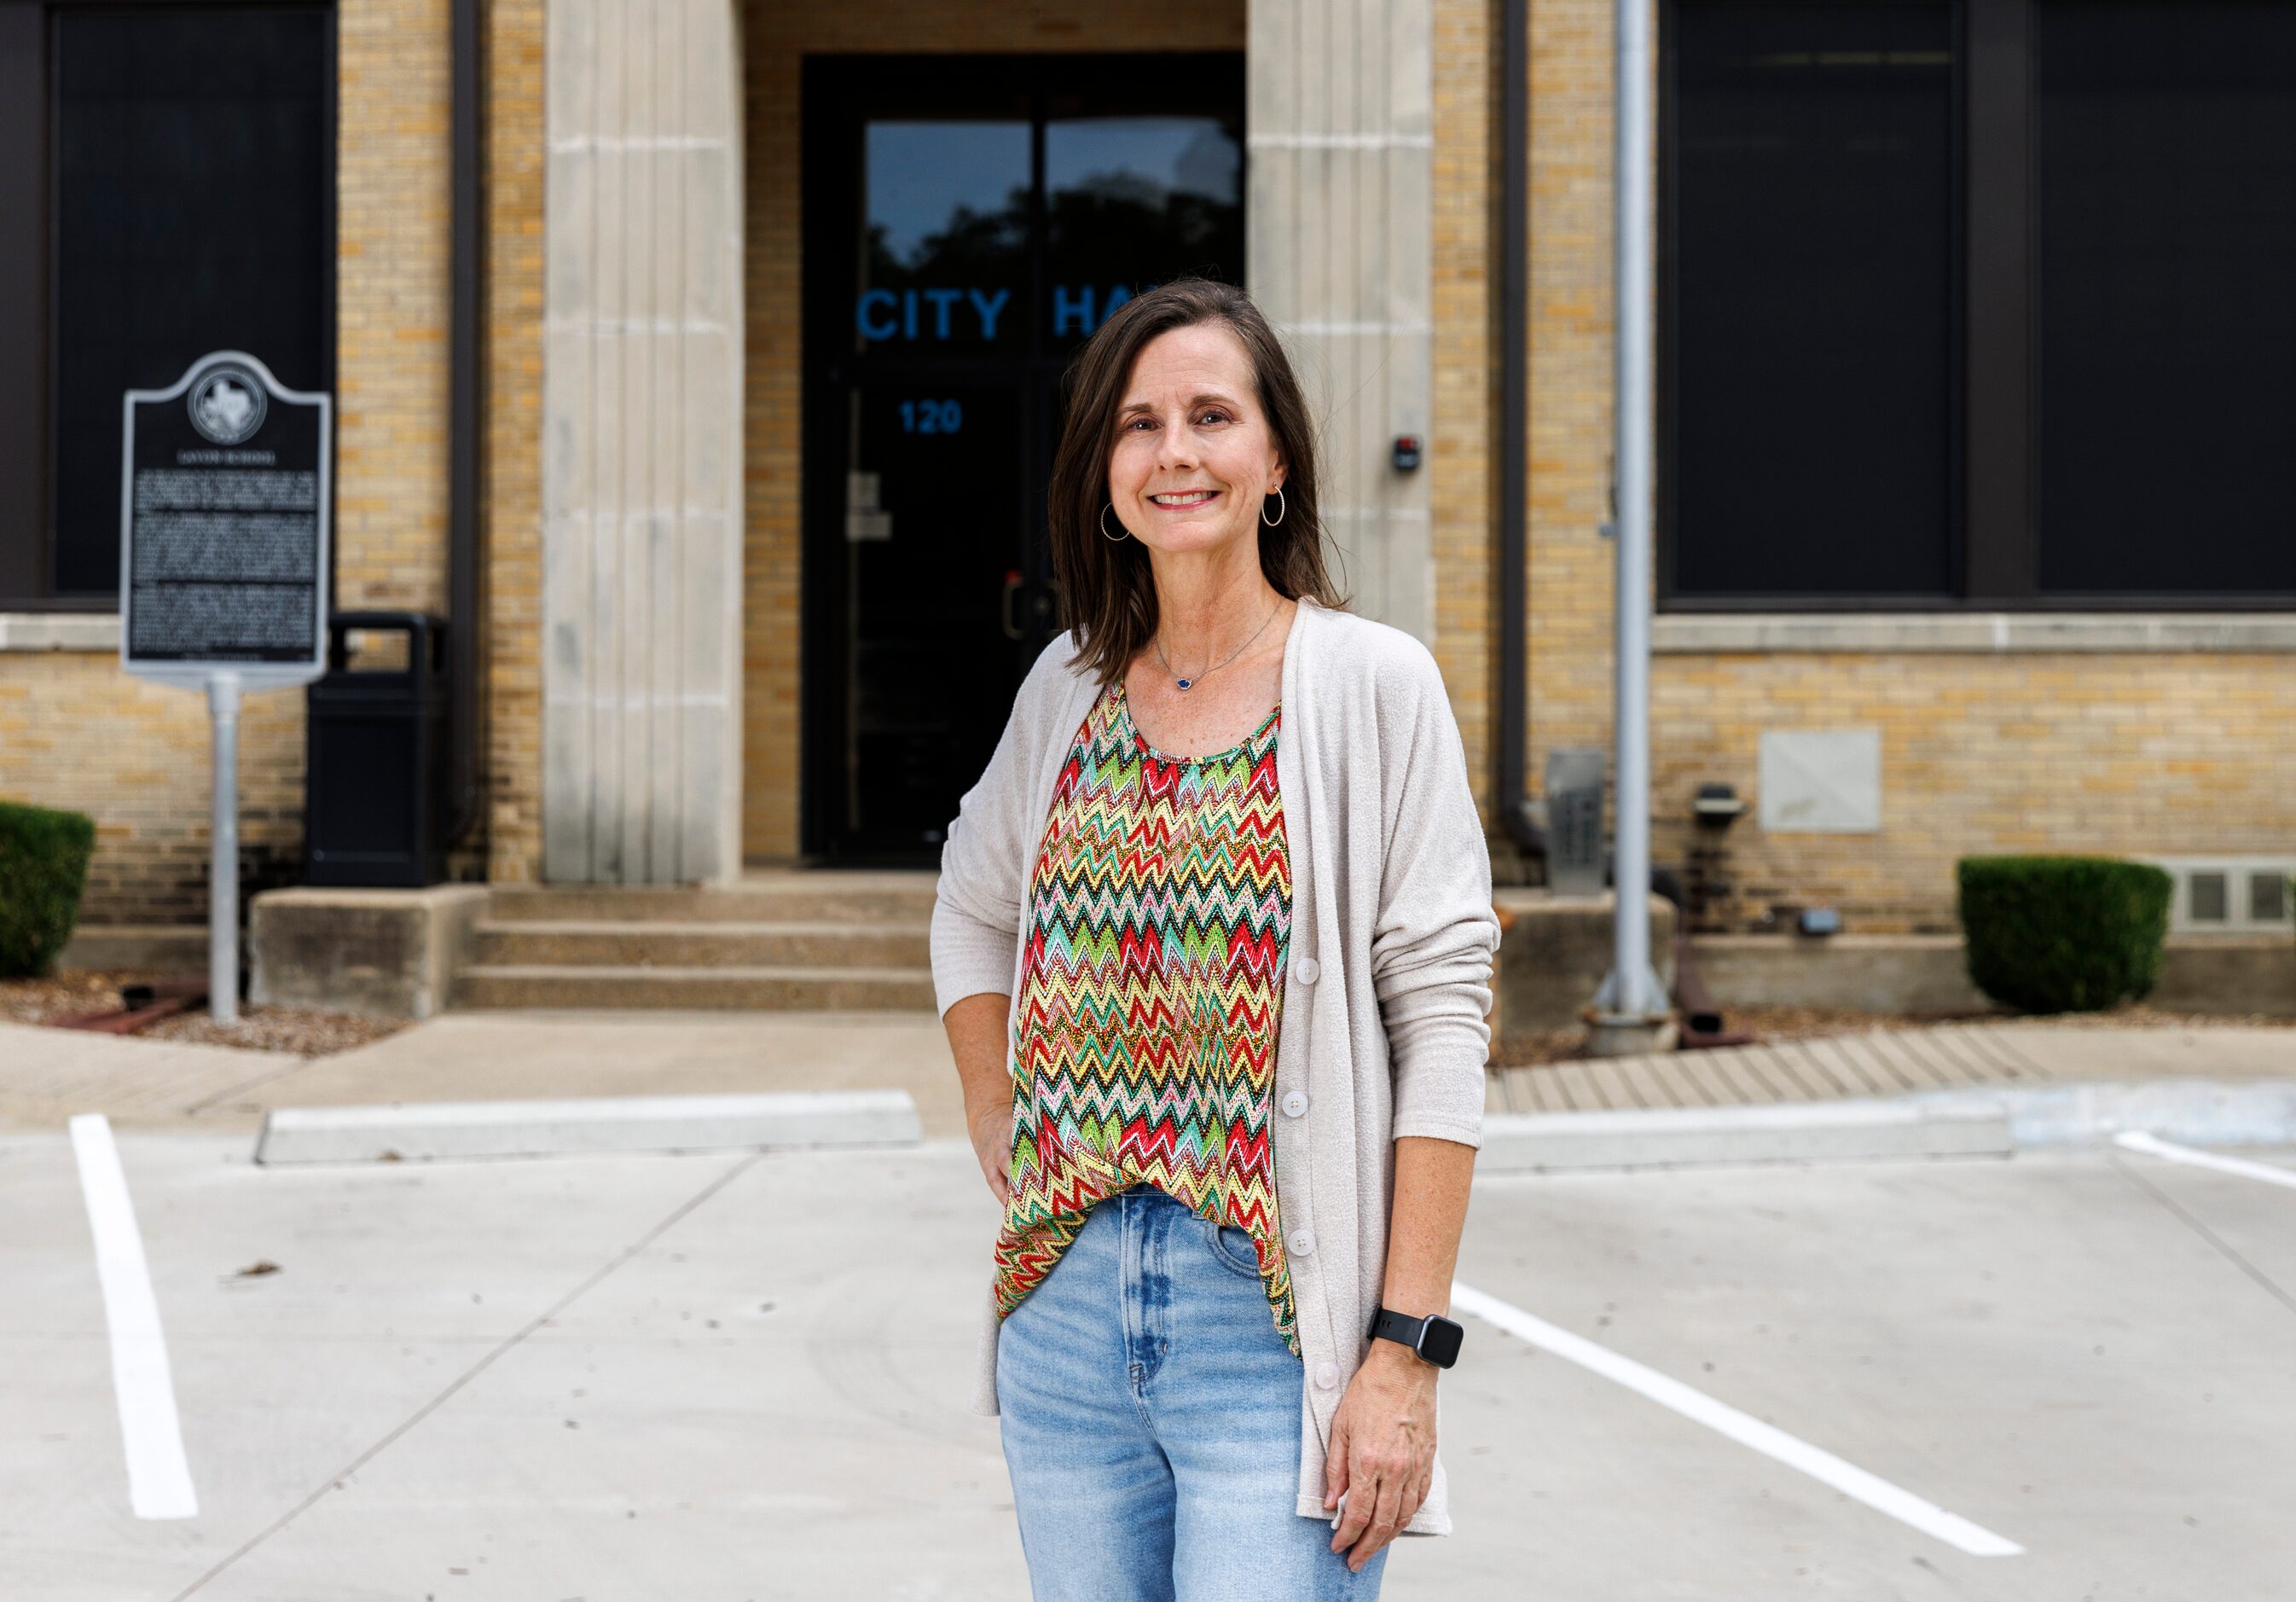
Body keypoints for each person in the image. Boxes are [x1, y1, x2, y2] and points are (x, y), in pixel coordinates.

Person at [931, 276, 1499, 1600]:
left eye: (1210, 415)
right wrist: (998, 1121)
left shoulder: (1371, 685)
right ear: (1105, 468)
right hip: (1064, 1316)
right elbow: (971, 903)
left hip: (1271, 1329)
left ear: (1276, 457)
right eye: (1139, 424)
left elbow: (1445, 1023)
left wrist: (1402, 1353)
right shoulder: (1066, 686)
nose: (1174, 452)